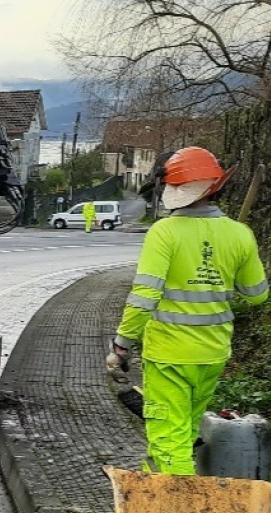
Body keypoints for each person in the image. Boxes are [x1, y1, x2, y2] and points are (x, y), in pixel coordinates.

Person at [110, 146, 268, 475]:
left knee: (169, 436)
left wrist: (122, 343)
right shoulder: (240, 234)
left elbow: (144, 295)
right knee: (184, 429)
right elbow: (256, 295)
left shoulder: (164, 232)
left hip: (169, 355)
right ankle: (153, 496)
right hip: (212, 353)